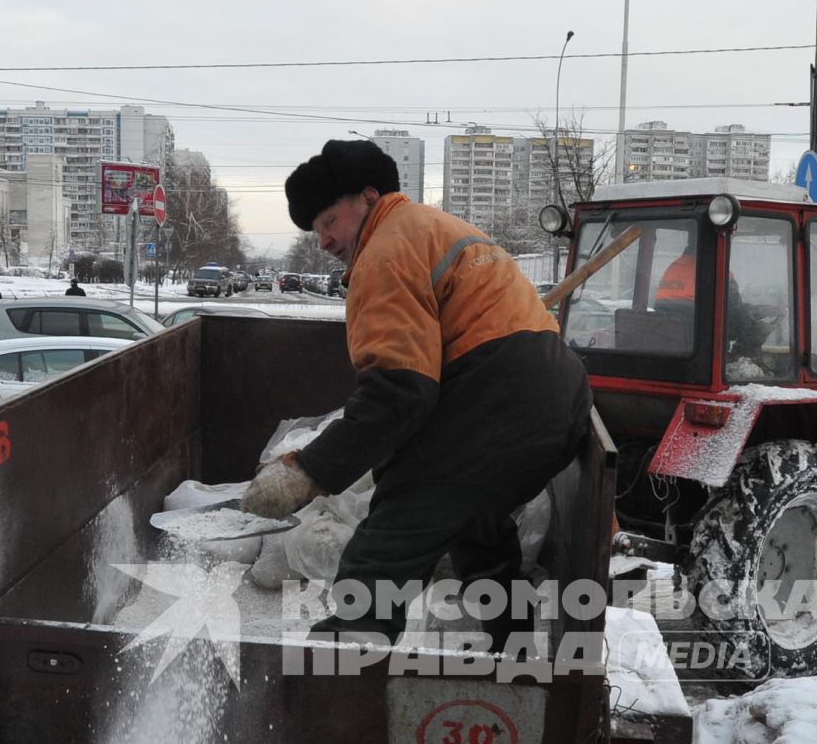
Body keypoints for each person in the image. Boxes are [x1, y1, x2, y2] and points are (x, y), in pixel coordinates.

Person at [242, 139, 592, 650]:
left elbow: (400, 394)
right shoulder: (436, 226)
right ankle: (515, 658)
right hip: (555, 392)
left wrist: (307, 470)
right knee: (475, 523)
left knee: (385, 546)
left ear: (366, 197)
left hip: (501, 395)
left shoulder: (385, 252)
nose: (323, 240)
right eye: (316, 231)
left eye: (328, 222)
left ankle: (341, 683)